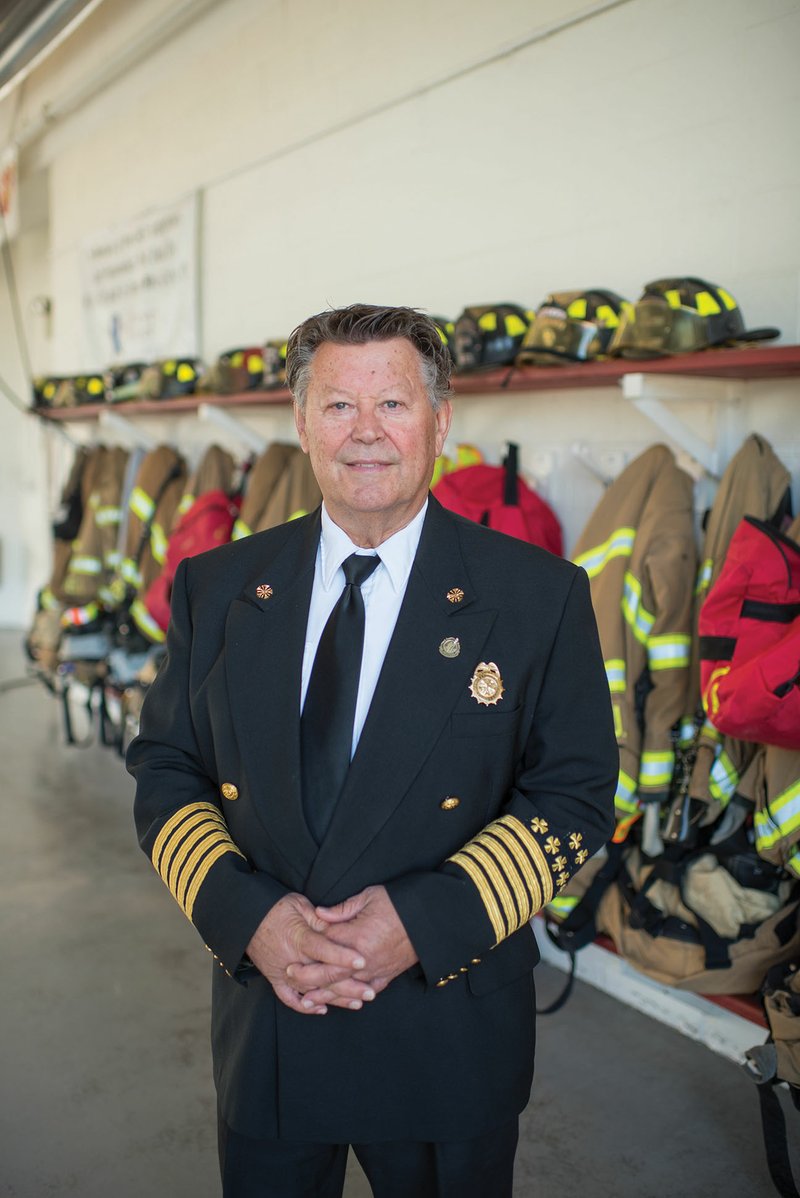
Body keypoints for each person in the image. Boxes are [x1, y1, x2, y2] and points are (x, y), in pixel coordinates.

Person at [127, 303, 618, 1198]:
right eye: (338, 407)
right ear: (302, 424)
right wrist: (249, 920)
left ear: (440, 422)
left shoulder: (538, 597)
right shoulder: (220, 587)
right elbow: (166, 769)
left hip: (447, 1024)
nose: (366, 436)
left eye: (391, 405)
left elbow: (575, 797)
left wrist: (421, 926)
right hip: (271, 1010)